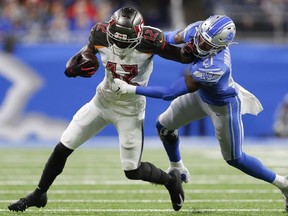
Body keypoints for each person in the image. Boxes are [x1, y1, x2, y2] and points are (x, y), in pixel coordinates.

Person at [8, 7, 195, 212]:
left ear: (138, 34)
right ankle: (38, 194)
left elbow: (182, 56)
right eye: (117, 39)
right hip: (101, 102)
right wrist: (76, 67)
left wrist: (200, 45)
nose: (120, 44)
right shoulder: (100, 32)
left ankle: (170, 180)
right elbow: (84, 53)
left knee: (132, 170)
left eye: (126, 40)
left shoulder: (151, 39)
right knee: (63, 147)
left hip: (129, 110)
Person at [112, 15, 288, 211]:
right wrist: (142, 32)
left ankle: (283, 183)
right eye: (200, 38)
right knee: (163, 126)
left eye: (205, 44)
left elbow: (169, 93)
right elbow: (170, 37)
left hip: (222, 106)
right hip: (200, 95)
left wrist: (131, 88)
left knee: (235, 158)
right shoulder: (198, 30)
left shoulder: (215, 66)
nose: (198, 44)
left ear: (219, 46)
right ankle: (177, 166)